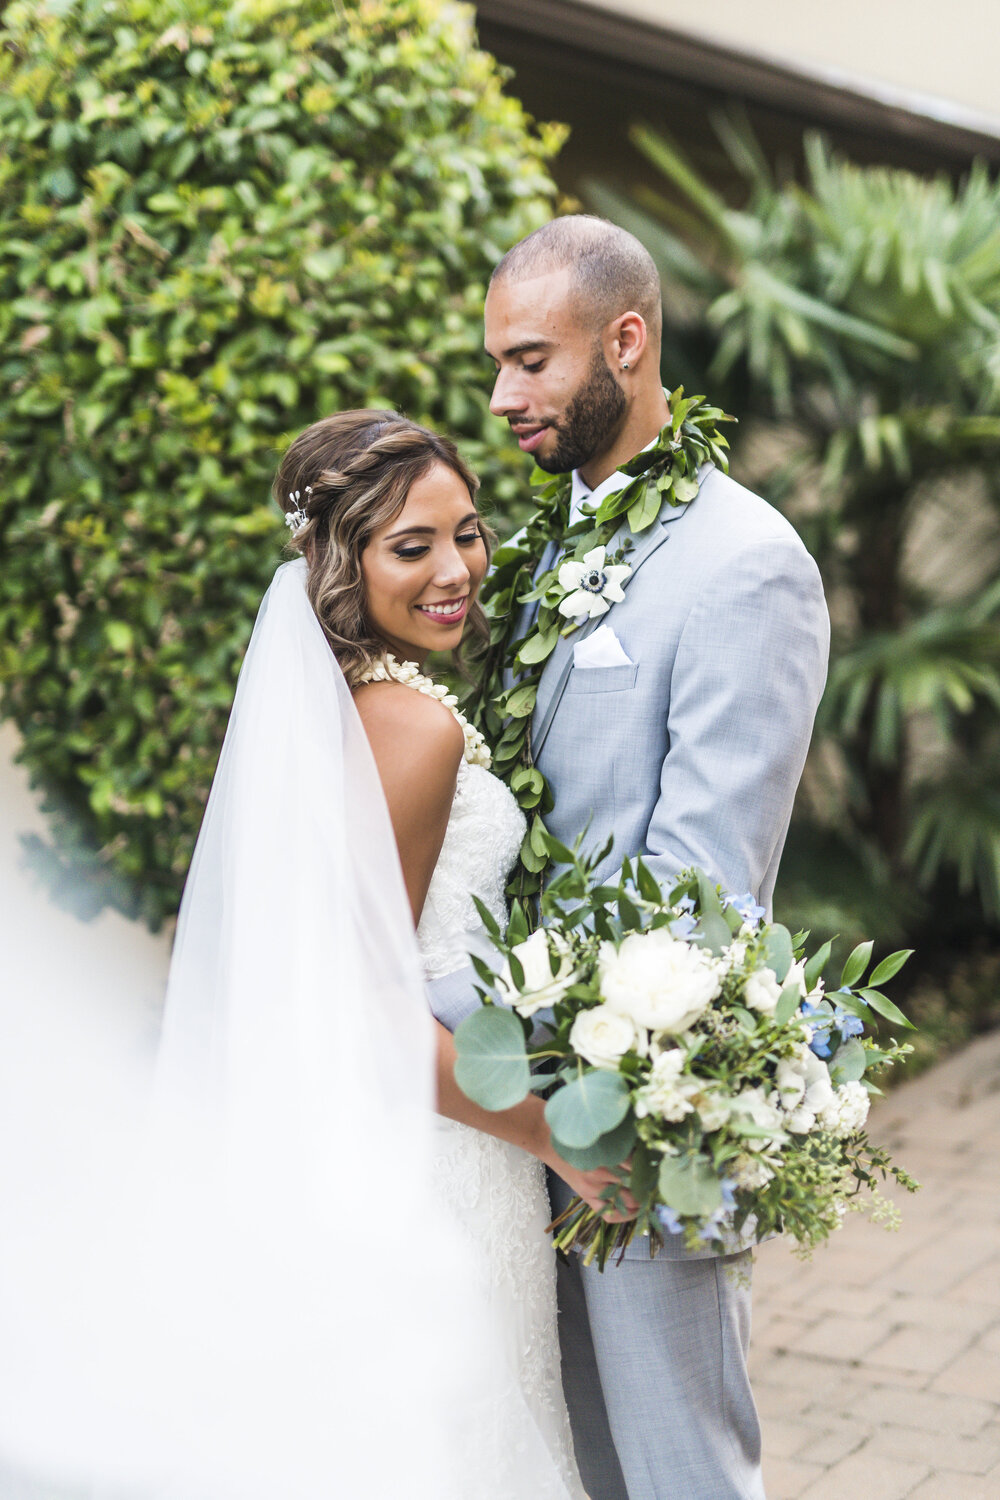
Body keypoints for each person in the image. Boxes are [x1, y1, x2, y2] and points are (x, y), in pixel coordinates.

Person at [435, 217, 829, 1498]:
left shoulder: (746, 561)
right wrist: (515, 1102)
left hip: (639, 1112)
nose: (503, 396)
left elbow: (707, 880)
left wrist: (596, 1111)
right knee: (569, 1456)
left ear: (626, 340)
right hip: (513, 1109)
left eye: (531, 362)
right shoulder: (544, 545)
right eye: (497, 364)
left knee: (674, 1462)